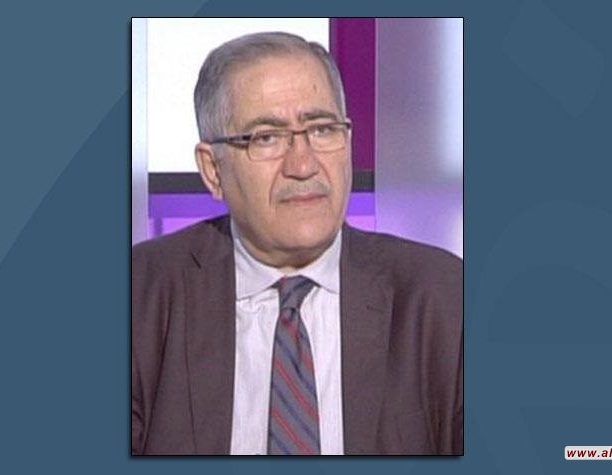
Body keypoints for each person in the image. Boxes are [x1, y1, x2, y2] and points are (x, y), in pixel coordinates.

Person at [131, 31, 462, 455]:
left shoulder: (441, 296)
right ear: (213, 170)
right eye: (266, 137)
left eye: (322, 129)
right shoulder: (140, 295)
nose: (303, 165)